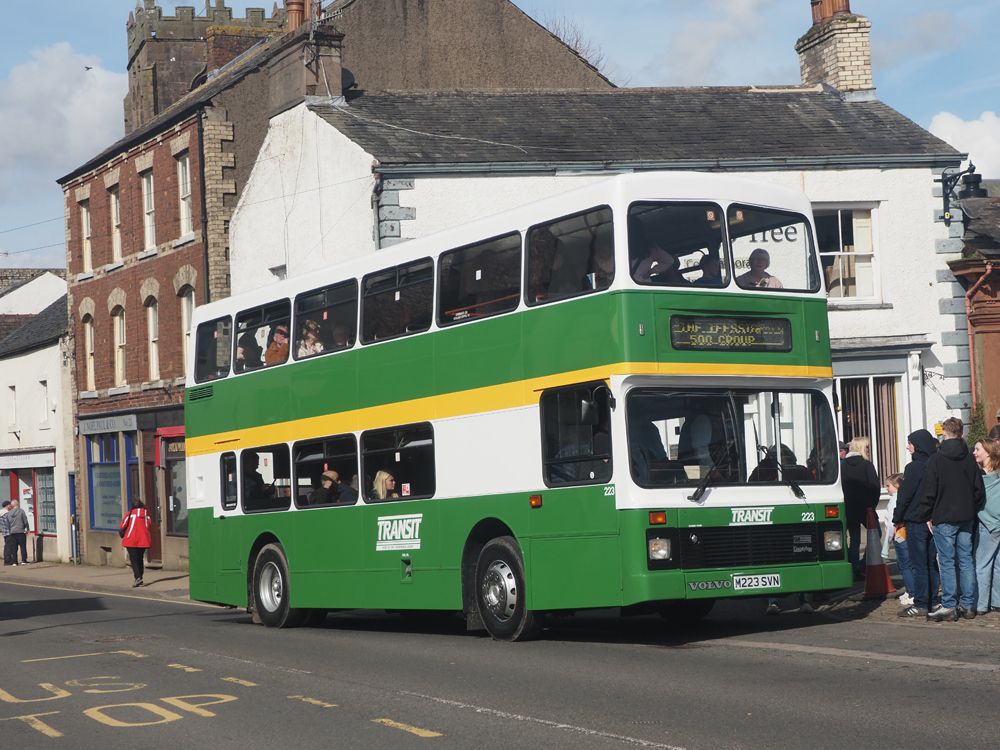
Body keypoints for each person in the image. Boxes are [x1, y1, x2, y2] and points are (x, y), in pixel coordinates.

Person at [919, 416, 986, 622]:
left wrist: (926, 515)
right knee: (965, 560)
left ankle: (949, 605)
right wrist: (971, 509)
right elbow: (978, 491)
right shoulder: (969, 459)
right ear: (962, 434)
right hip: (965, 516)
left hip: (943, 516)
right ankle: (968, 605)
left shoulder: (936, 460)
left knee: (947, 562)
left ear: (944, 435)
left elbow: (928, 491)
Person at [893, 429, 941, 618]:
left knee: (919, 564)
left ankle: (921, 603)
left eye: (910, 443)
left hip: (916, 520)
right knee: (931, 563)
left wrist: (897, 518)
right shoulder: (935, 463)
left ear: (918, 445)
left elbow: (904, 496)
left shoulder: (914, 467)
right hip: (933, 520)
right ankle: (932, 601)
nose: (907, 447)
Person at [841, 436, 880, 579]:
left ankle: (853, 568)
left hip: (850, 507)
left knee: (854, 539)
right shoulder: (866, 465)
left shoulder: (843, 466)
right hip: (866, 507)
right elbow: (875, 487)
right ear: (862, 448)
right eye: (867, 446)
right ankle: (863, 564)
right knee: (876, 534)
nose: (869, 449)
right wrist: (872, 504)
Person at [973, 437, 1000, 615]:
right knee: (998, 564)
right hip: (998, 523)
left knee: (982, 564)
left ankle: (981, 604)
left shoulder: (979, 476)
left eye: (977, 449)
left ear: (988, 453)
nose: (974, 453)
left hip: (987, 524)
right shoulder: (998, 473)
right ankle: (997, 602)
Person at [883, 473, 914, 607]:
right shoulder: (904, 498)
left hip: (899, 535)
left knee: (904, 566)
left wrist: (886, 545)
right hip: (907, 534)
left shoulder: (894, 501)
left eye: (888, 486)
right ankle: (910, 590)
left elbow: (891, 523)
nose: (886, 489)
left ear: (897, 486)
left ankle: (912, 593)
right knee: (905, 564)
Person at [119, 498, 152, 587]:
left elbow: (122, 526)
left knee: (134, 559)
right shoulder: (146, 515)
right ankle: (140, 576)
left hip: (131, 539)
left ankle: (138, 577)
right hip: (143, 540)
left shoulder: (130, 514)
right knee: (140, 558)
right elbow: (148, 527)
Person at [5, 497, 30, 565]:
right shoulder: (21, 511)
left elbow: (7, 523)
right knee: (23, 546)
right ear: (17, 504)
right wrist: (27, 529)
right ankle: (24, 560)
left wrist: (10, 530)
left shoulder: (9, 513)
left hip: (13, 532)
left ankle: (14, 562)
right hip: (21, 531)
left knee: (14, 547)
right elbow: (25, 521)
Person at [0, 500, 12, 566]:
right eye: (10, 505)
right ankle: (8, 560)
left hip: (5, 532)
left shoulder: (1, 513)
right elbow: (8, 523)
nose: (11, 506)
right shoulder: (6, 513)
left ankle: (7, 559)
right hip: (8, 532)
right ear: (7, 506)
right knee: (9, 546)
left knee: (7, 546)